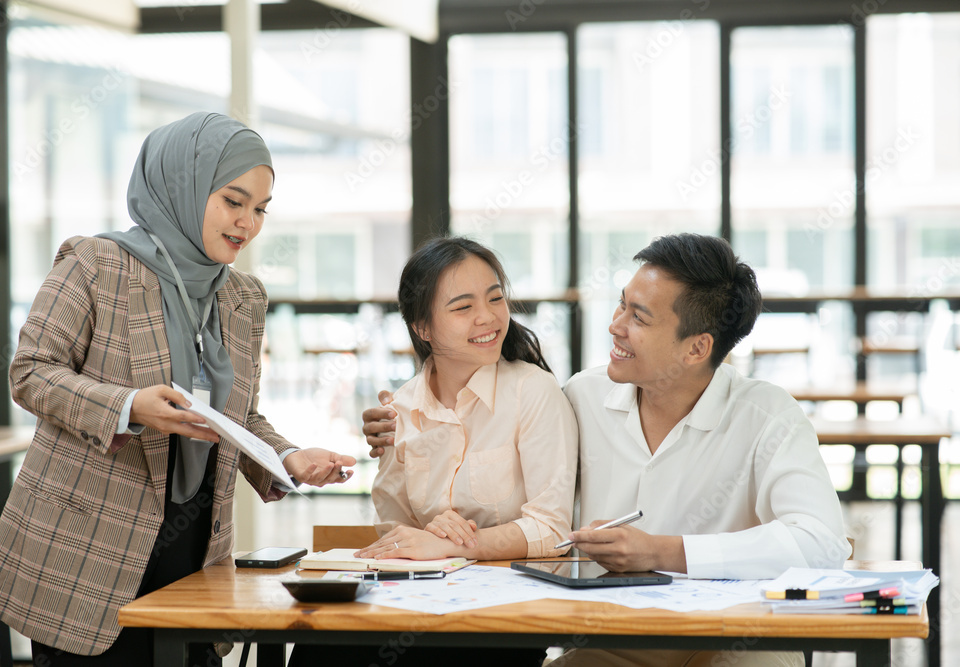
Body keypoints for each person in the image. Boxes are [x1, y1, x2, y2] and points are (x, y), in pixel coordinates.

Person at [363, 233, 850, 667]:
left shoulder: (766, 416)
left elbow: (822, 543)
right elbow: (486, 440)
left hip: (744, 636)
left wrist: (663, 552)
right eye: (621, 305)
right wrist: (397, 429)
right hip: (619, 639)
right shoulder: (581, 397)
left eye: (638, 317)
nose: (615, 326)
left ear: (697, 348)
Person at [0, 112, 356, 667]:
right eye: (233, 201)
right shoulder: (96, 264)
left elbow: (239, 416)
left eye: (260, 209)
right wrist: (129, 406)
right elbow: (32, 372)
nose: (248, 223)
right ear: (182, 186)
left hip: (194, 545)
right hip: (84, 553)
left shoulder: (243, 297)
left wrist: (286, 456)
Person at [291, 236, 578, 667]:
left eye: (495, 298)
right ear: (422, 327)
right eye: (463, 308)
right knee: (320, 645)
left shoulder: (533, 392)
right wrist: (424, 541)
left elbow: (553, 531)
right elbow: (396, 528)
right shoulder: (399, 410)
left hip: (505, 614)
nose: (487, 318)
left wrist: (457, 543)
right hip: (420, 600)